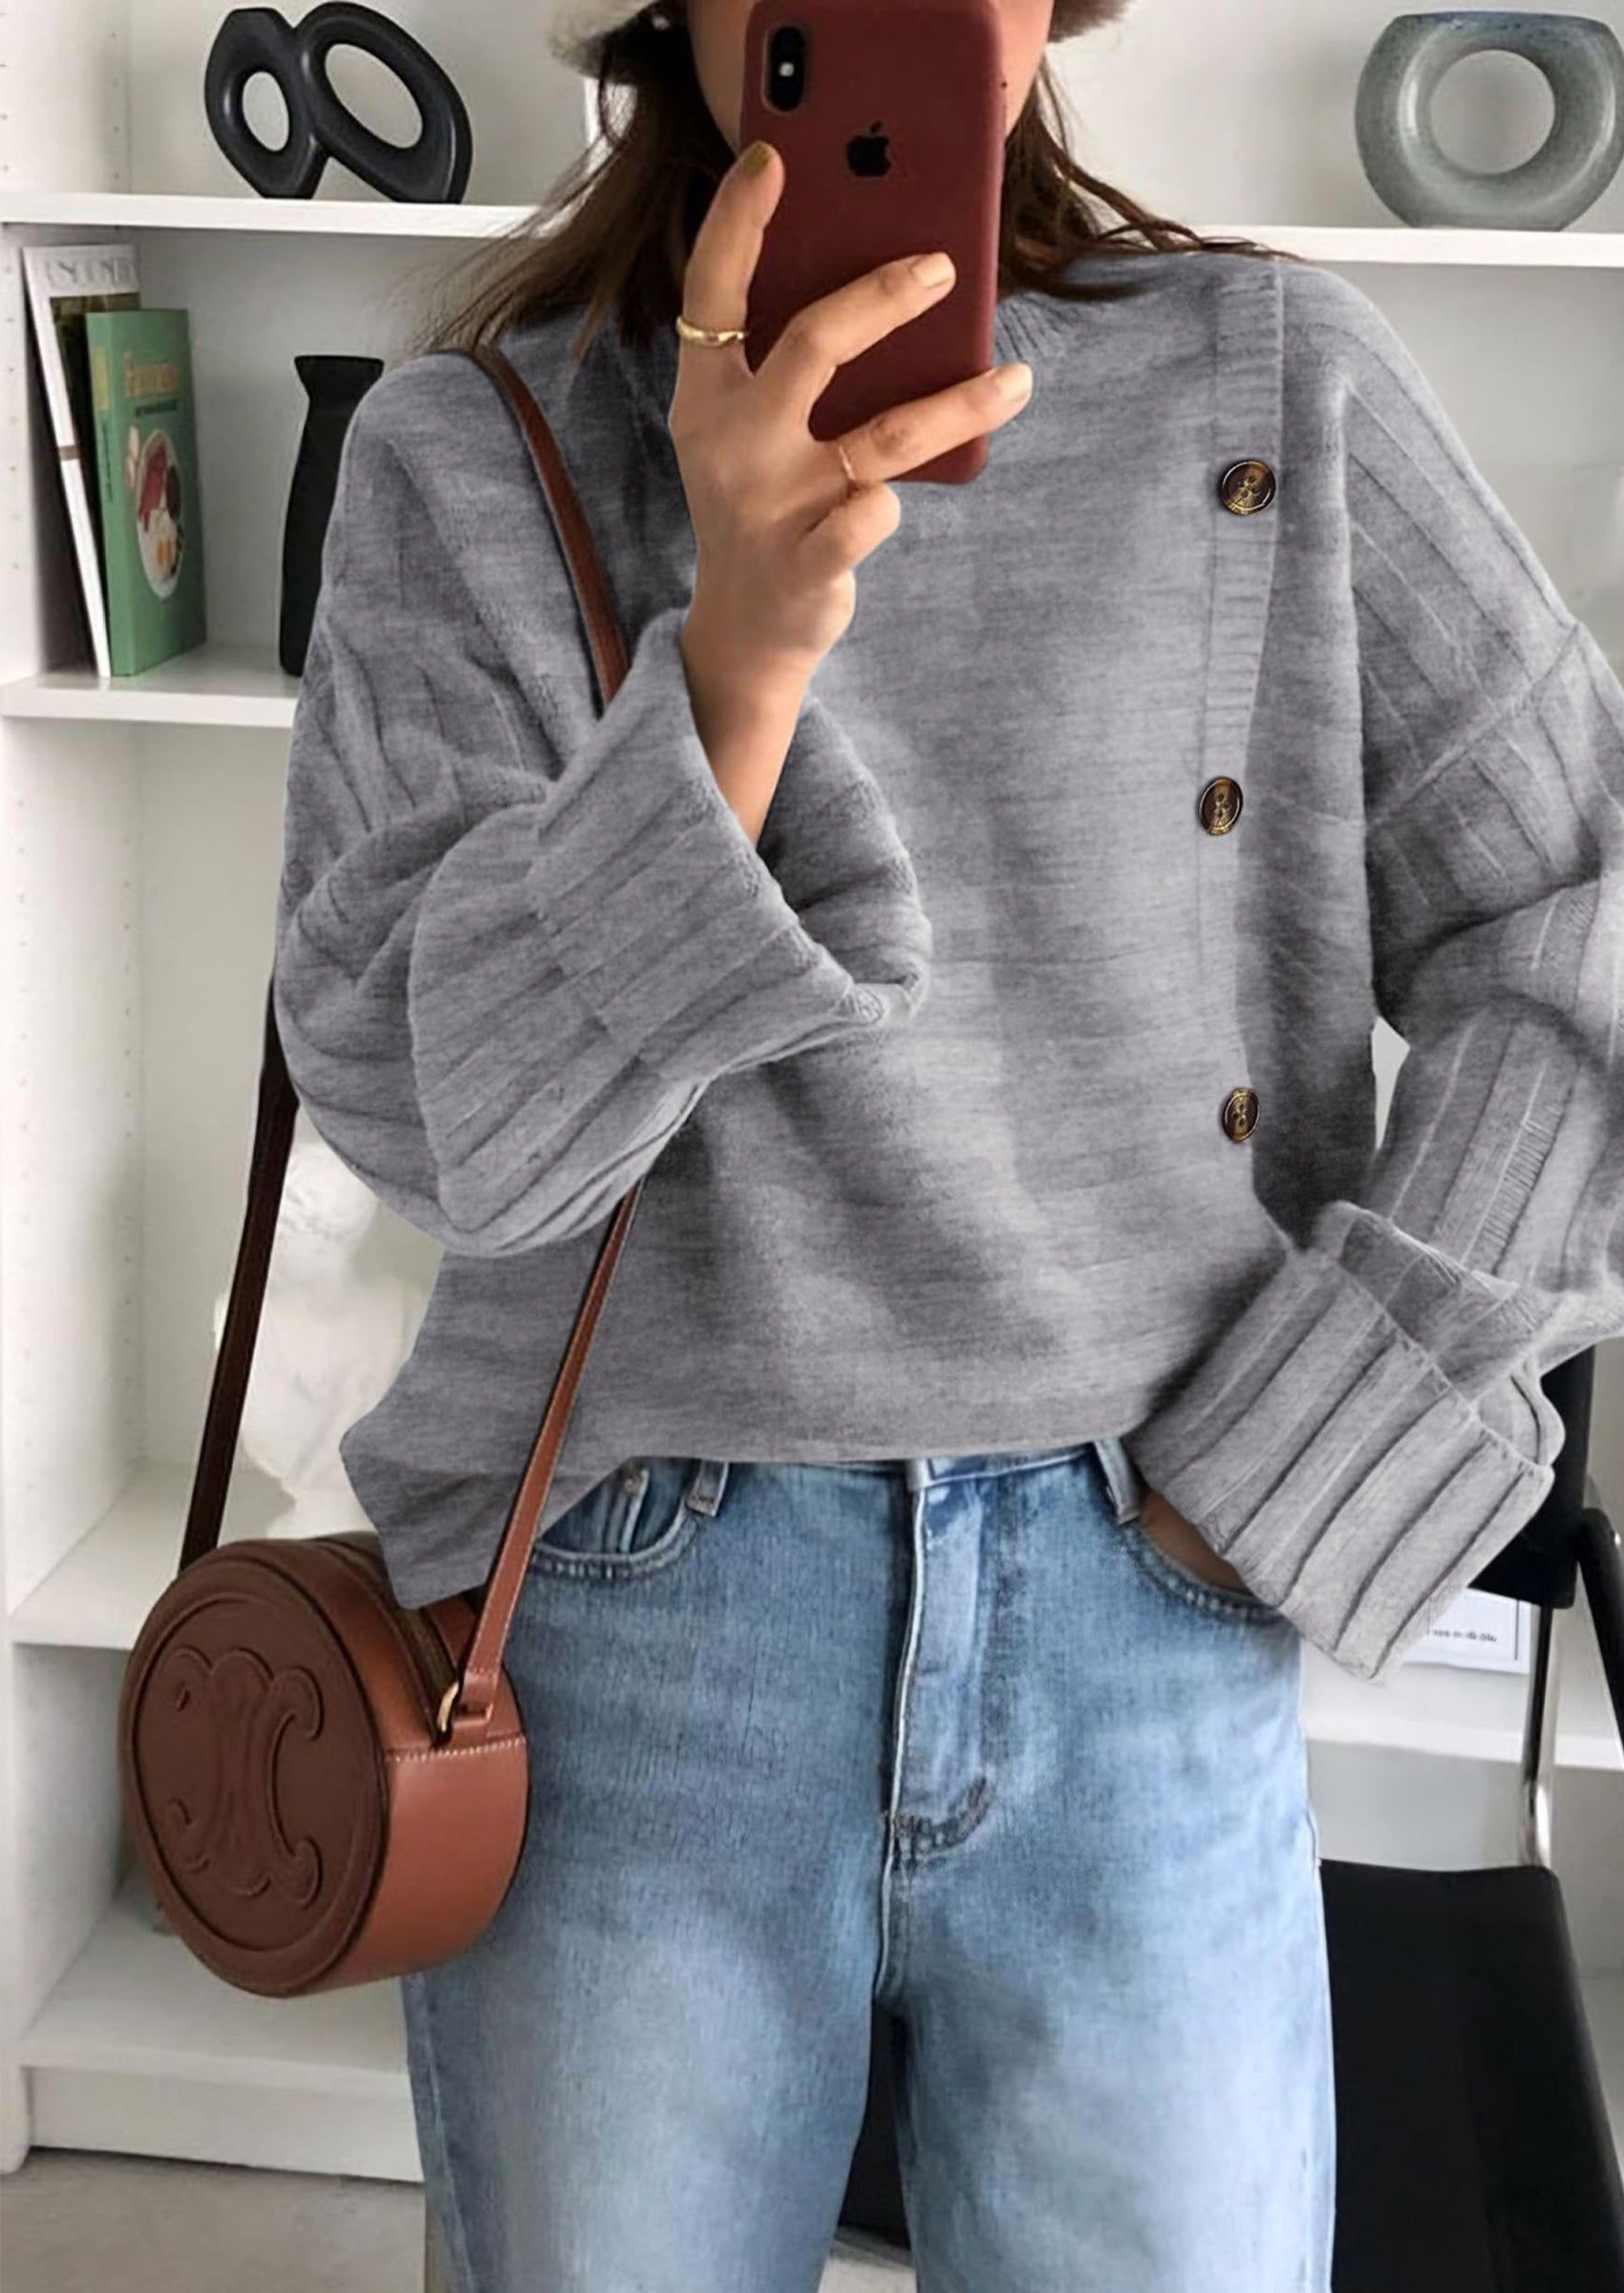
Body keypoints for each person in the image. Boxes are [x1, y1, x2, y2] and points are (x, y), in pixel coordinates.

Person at [270, 2, 1624, 2286]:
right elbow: (432, 1126)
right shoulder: (474, 449)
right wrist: (733, 668)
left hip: (1153, 1605)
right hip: (625, 1629)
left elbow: (1580, 921)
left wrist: (1321, 1449)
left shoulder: (1271, 381)